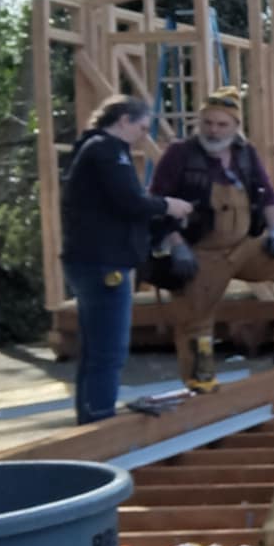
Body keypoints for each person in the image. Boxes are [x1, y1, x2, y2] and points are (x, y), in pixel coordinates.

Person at [147, 87, 274, 385]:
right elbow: (157, 203)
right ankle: (199, 382)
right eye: (208, 123)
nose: (214, 131)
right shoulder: (180, 154)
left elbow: (268, 196)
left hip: (244, 246)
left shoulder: (245, 154)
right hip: (200, 252)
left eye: (222, 124)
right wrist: (176, 246)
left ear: (235, 126)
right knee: (195, 319)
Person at [59, 96, 194, 423]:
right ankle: (101, 422)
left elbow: (119, 207)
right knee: (109, 350)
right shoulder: (107, 150)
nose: (143, 136)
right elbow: (130, 203)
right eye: (142, 128)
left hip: (91, 260)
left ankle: (92, 419)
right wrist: (168, 206)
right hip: (103, 264)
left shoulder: (93, 149)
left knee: (96, 349)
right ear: (123, 121)